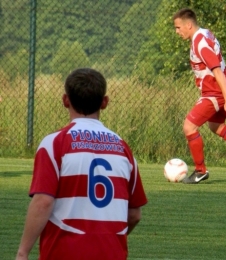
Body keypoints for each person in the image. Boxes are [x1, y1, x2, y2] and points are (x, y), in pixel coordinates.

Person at [16, 68, 148, 260]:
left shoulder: (55, 144)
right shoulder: (123, 148)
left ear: (65, 100)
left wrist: (22, 252)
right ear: (104, 103)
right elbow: (135, 214)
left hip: (64, 252)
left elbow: (43, 202)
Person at [172, 8, 226, 184]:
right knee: (216, 126)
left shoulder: (200, 43)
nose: (177, 31)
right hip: (219, 88)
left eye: (178, 27)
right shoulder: (204, 33)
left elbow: (216, 70)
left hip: (217, 91)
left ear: (188, 25)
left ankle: (200, 170)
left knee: (189, 127)